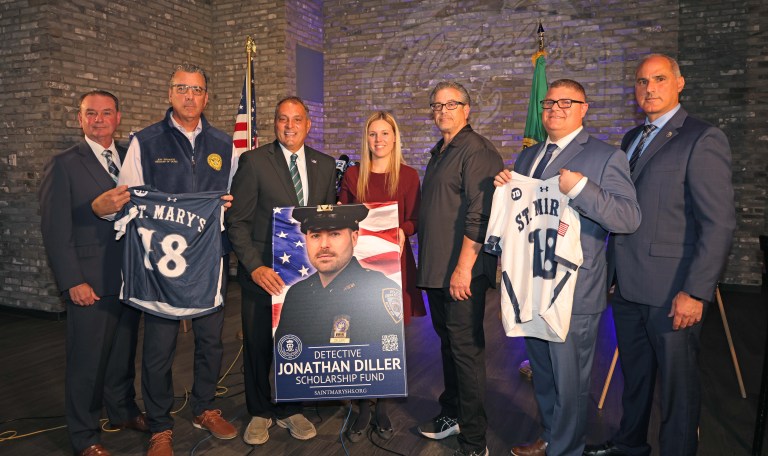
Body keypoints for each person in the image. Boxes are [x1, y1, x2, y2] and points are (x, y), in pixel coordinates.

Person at [584, 54, 735, 456]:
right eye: (641, 82)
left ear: (679, 83)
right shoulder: (632, 139)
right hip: (629, 286)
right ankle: (630, 444)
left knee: (677, 390)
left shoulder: (702, 138)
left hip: (673, 292)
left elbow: (718, 224)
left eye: (659, 79)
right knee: (635, 379)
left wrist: (696, 292)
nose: (649, 88)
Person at [93, 64, 238, 456]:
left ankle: (204, 407)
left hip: (209, 260)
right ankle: (160, 426)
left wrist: (227, 204)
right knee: (159, 348)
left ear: (207, 97)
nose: (190, 97)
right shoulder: (146, 141)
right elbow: (127, 197)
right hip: (161, 266)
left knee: (211, 341)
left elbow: (233, 198)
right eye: (182, 89)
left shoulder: (225, 144)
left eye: (197, 90)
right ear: (170, 94)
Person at [494, 79, 640, 456]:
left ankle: (567, 449)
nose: (555, 109)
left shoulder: (606, 157)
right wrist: (506, 184)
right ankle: (550, 437)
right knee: (541, 371)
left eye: (566, 102)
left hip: (574, 290)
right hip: (531, 284)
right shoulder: (528, 157)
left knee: (570, 378)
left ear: (584, 108)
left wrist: (581, 189)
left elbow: (627, 218)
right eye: (549, 103)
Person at [39, 90, 147, 456]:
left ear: (118, 118)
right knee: (86, 362)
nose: (99, 120)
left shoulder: (131, 159)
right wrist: (72, 281)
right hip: (89, 280)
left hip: (130, 276)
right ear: (80, 118)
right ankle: (84, 436)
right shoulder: (64, 163)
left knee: (122, 354)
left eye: (106, 113)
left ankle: (122, 411)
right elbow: (55, 229)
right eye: (91, 114)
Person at [225, 96, 337, 446]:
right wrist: (254, 267)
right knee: (258, 344)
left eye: (297, 120)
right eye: (282, 119)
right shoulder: (254, 162)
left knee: (298, 342)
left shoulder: (325, 164)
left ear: (308, 125)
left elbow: (327, 219)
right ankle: (259, 410)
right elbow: (237, 222)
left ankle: (292, 409)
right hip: (264, 274)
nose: (289, 126)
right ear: (275, 123)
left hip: (306, 276)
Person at [416, 81, 503, 456]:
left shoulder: (478, 150)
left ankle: (474, 440)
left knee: (466, 353)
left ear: (467, 109)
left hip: (461, 273)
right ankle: (451, 414)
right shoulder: (441, 150)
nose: (443, 111)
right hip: (438, 271)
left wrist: (463, 268)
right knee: (449, 347)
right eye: (436, 106)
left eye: (451, 104)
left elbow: (480, 214)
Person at [338, 111, 425, 442]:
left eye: (385, 134)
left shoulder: (408, 175)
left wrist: (404, 230)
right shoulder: (353, 175)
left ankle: (383, 407)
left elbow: (416, 218)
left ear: (394, 137)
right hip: (358, 267)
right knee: (360, 334)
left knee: (390, 337)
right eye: (372, 134)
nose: (378, 140)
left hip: (395, 266)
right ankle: (362, 408)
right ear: (367, 139)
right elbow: (342, 217)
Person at [275, 204, 403, 346]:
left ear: (354, 238)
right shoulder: (297, 293)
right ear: (307, 240)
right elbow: (285, 356)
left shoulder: (379, 290)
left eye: (334, 234)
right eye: (315, 235)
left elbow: (389, 356)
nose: (324, 245)